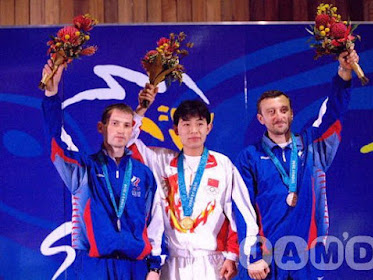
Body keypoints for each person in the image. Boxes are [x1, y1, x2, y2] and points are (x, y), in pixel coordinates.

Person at [234, 50, 360, 280]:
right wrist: (252, 257)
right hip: (268, 260)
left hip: (309, 256)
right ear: (261, 118)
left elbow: (332, 113)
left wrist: (344, 72)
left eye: (283, 110)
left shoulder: (312, 146)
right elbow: (243, 210)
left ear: (292, 114)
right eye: (270, 112)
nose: (278, 116)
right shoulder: (249, 157)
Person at [129, 92, 270, 280]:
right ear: (176, 129)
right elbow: (127, 141)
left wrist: (233, 256)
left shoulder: (223, 165)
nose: (193, 130)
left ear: (209, 127)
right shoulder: (160, 160)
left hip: (212, 262)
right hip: (171, 263)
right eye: (186, 124)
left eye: (200, 124)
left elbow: (241, 211)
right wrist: (141, 109)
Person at [41, 60, 157, 279]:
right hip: (94, 267)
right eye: (114, 124)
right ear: (101, 128)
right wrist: (51, 95)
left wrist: (154, 267)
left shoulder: (143, 174)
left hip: (136, 268)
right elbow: (55, 142)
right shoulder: (84, 168)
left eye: (126, 125)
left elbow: (153, 224)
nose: (121, 131)